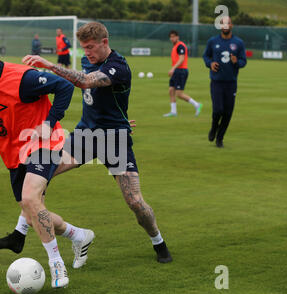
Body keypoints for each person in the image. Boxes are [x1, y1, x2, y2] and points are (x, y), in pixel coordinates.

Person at [21, 22, 173, 264]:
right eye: (84, 48)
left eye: (90, 47)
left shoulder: (118, 66)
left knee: (135, 202)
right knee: (43, 172)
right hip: (85, 135)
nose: (87, 52)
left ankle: (158, 241)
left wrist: (49, 65)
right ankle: (25, 230)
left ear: (105, 42)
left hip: (114, 141)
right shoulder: (87, 60)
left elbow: (84, 82)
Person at [0, 36, 96, 289]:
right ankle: (79, 235)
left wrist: (49, 123)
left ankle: (56, 264)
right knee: (33, 215)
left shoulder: (23, 78)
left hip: (43, 145)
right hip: (12, 154)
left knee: (30, 199)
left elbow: (64, 86)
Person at [203, 16, 246, 148]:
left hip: (231, 82)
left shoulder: (238, 43)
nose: (225, 25)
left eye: (228, 23)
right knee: (218, 110)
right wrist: (210, 63)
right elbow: (206, 56)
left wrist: (236, 62)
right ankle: (214, 128)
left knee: (228, 113)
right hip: (216, 81)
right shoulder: (213, 41)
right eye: (223, 23)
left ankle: (219, 139)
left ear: (231, 25)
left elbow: (243, 61)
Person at [164, 30, 202, 117]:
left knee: (179, 94)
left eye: (174, 36)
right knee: (171, 90)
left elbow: (181, 59)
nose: (172, 38)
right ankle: (173, 112)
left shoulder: (180, 46)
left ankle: (197, 105)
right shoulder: (175, 46)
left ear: (177, 37)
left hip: (181, 71)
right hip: (177, 71)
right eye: (171, 37)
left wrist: (173, 68)